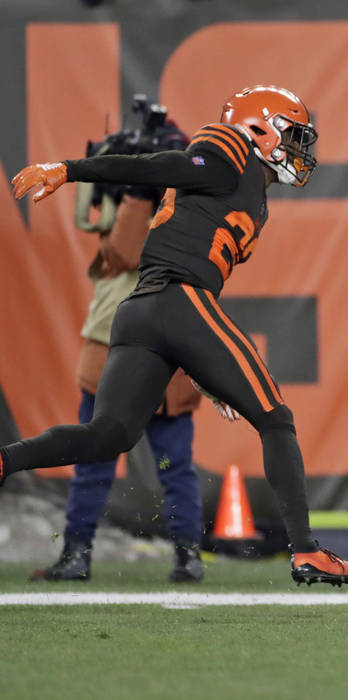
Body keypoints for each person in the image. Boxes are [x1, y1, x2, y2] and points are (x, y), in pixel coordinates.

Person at [2, 85, 348, 586]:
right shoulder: (228, 150)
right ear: (260, 129)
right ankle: (307, 552)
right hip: (179, 298)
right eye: (292, 135)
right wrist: (68, 170)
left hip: (142, 311)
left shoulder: (248, 188)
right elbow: (159, 167)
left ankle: (5, 461)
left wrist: (211, 374)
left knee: (109, 435)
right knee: (276, 419)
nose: (299, 150)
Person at [30, 113, 205, 584]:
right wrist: (137, 187)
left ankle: (188, 554)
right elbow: (123, 249)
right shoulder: (137, 198)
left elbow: (136, 249)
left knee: (173, 464)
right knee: (96, 458)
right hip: (122, 342)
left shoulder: (191, 203)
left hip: (159, 344)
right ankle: (77, 552)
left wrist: (149, 184)